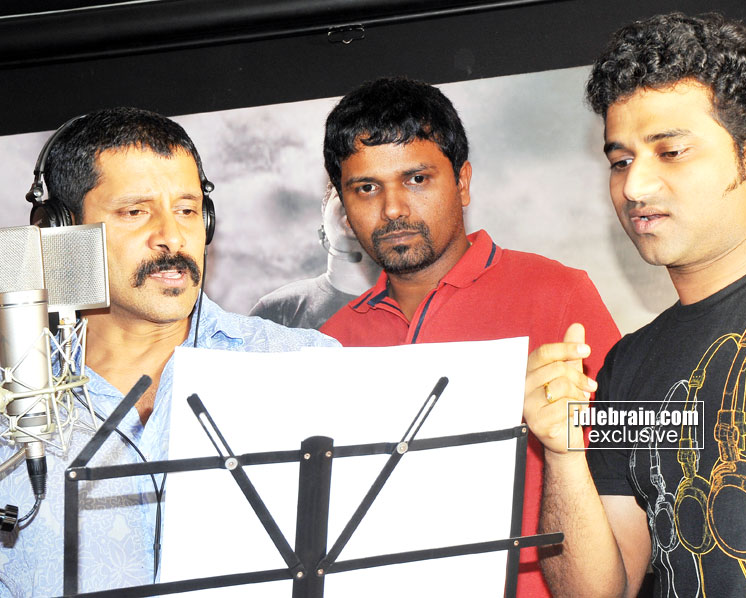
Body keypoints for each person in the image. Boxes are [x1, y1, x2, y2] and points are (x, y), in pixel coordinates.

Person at [0, 107, 337, 598]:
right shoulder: (10, 406)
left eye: (187, 209)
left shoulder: (309, 367)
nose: (173, 237)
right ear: (57, 234)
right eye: (135, 212)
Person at [524, 12, 746, 598]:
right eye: (620, 161)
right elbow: (600, 592)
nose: (634, 187)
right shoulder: (627, 367)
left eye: (670, 151)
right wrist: (564, 453)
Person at [319, 77, 620, 596]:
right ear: (343, 205)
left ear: (462, 182)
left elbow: (636, 473)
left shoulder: (558, 295)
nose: (392, 209)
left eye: (416, 179)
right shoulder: (331, 343)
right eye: (366, 188)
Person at [249, 182, 381, 329]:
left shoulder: (405, 309)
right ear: (323, 224)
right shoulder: (276, 311)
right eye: (343, 190)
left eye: (368, 190)